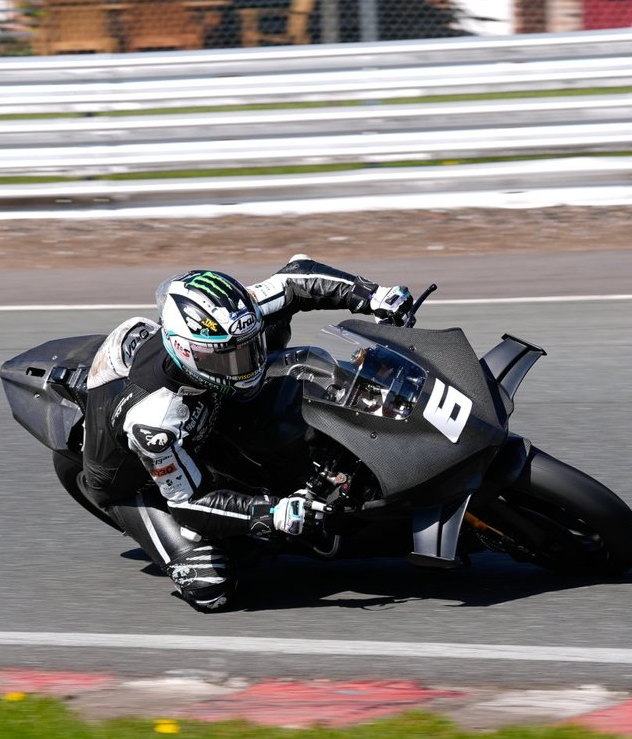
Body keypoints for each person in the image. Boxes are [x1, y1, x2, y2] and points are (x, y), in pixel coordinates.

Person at [75, 257, 413, 612]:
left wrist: (373, 295)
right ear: (189, 353)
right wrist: (269, 513)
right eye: (232, 358)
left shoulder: (230, 324)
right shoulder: (155, 420)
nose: (249, 364)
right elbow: (189, 503)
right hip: (137, 485)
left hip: (207, 410)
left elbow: (294, 280)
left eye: (250, 348)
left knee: (291, 353)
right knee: (211, 588)